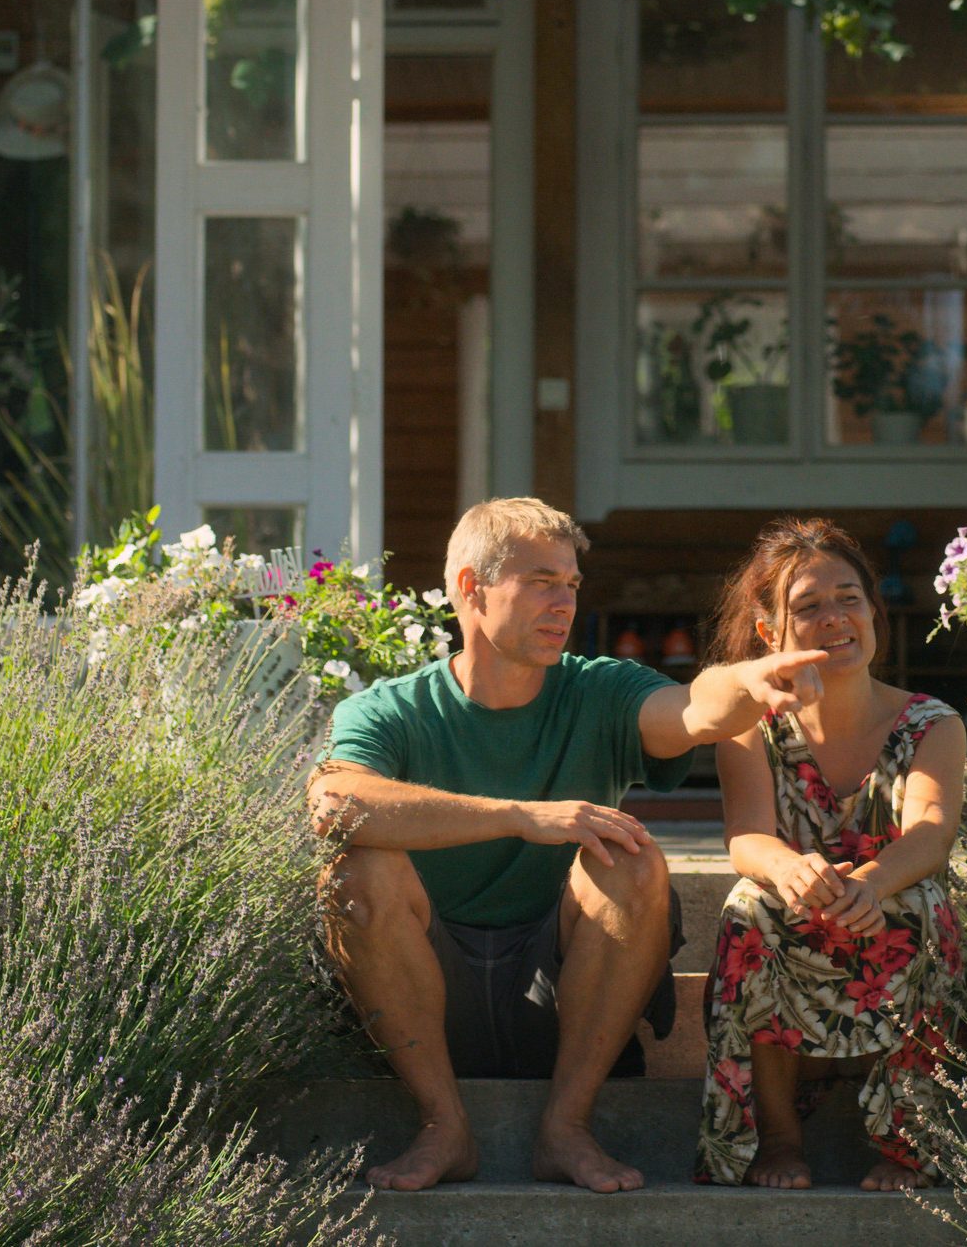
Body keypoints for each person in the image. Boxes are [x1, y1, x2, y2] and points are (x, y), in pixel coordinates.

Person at [310, 497, 831, 1196]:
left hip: (560, 994)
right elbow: (335, 803)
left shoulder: (600, 689)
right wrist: (519, 816)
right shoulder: (391, 709)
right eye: (541, 582)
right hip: (426, 994)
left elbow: (690, 709)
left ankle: (567, 1127)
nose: (564, 603)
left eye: (572, 584)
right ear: (470, 588)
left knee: (630, 859)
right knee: (356, 870)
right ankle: (443, 1125)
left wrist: (746, 683)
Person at [696, 519, 967, 1191]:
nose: (835, 619)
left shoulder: (932, 723)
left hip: (888, 909)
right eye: (809, 606)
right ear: (770, 633)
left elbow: (931, 832)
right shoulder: (749, 725)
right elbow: (747, 835)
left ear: (873, 612)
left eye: (849, 599)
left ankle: (909, 1145)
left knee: (921, 905)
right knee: (750, 908)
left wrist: (869, 885)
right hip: (798, 914)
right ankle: (779, 1140)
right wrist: (789, 870)